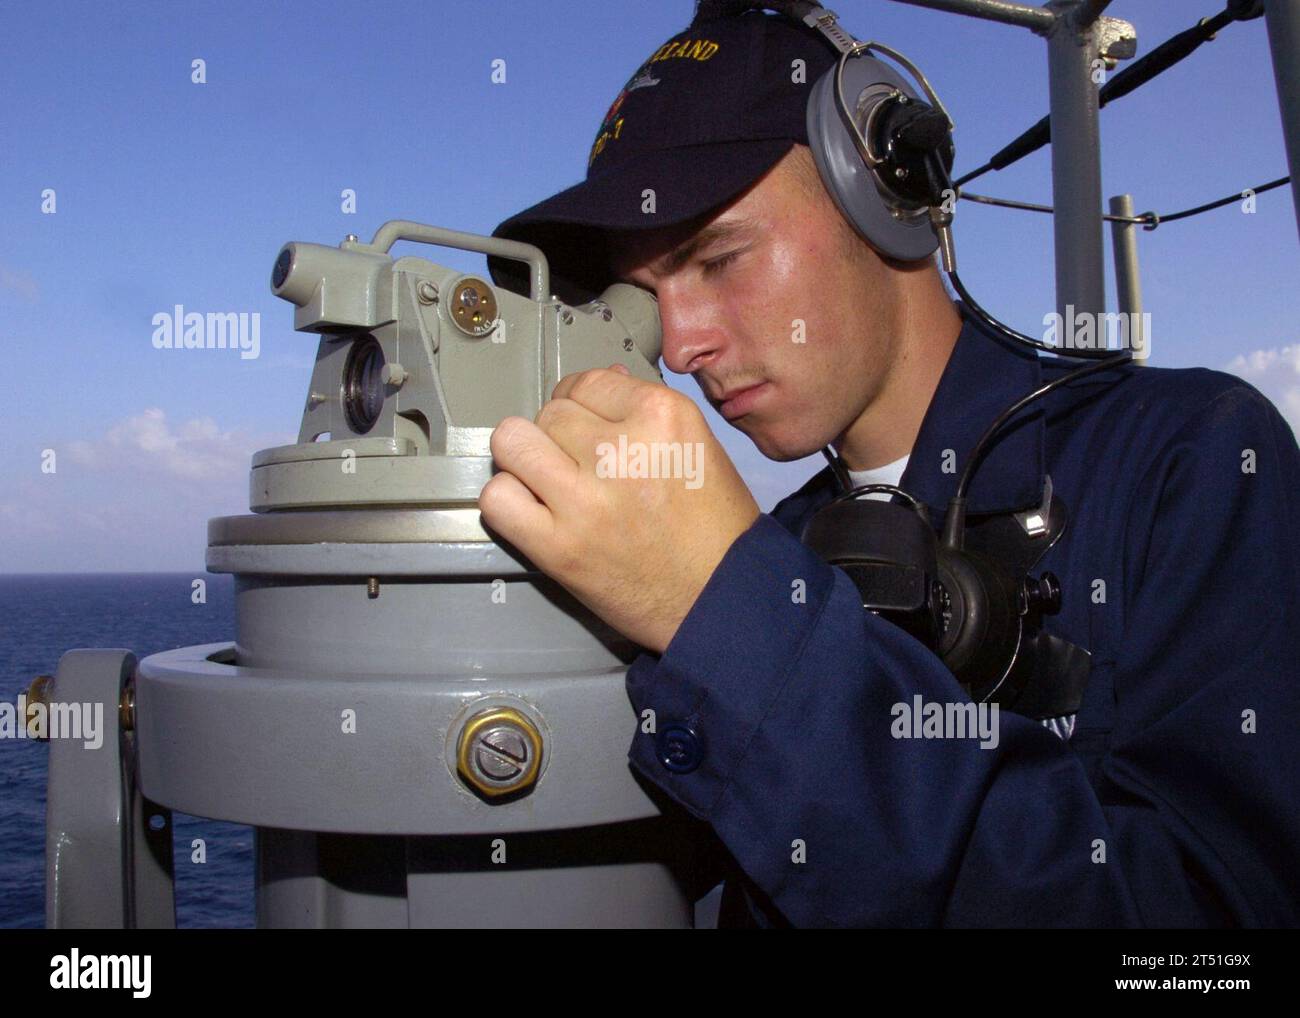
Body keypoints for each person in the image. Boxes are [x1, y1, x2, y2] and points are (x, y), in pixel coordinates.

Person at [479, 3, 1300, 926]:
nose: (679, 345)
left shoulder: (1189, 463)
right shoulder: (780, 546)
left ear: (882, 188)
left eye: (717, 258)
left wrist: (729, 619)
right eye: (645, 299)